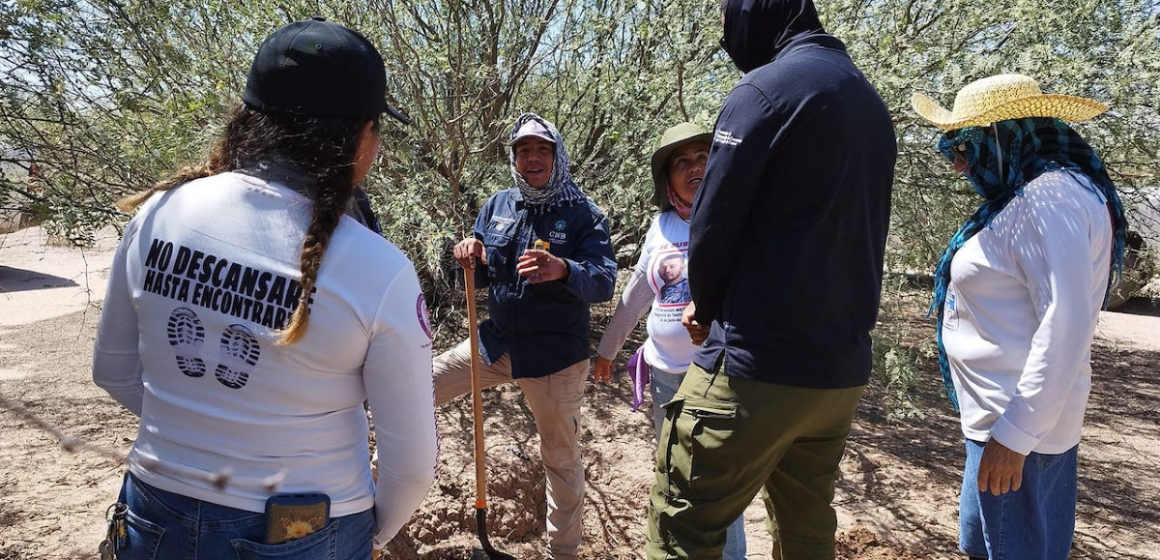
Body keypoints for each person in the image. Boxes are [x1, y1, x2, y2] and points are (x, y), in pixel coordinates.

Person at [92, 18, 438, 560]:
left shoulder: (159, 213)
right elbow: (413, 462)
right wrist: (369, 536)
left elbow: (112, 372)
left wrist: (203, 438)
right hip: (303, 526)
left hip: (155, 509)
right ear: (362, 133)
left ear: (249, 118)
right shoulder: (379, 268)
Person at [645, 1, 897, 558]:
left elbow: (713, 217)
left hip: (756, 368)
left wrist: (704, 306)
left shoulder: (764, 92)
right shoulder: (868, 102)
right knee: (807, 532)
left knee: (682, 527)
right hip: (836, 376)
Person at [912, 74, 1126, 560]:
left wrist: (1014, 435)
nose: (958, 165)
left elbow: (1065, 319)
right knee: (987, 545)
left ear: (1004, 135)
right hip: (1008, 421)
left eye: (963, 147)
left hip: (1016, 426)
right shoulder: (1039, 195)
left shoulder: (1049, 199)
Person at [437, 113, 617, 560]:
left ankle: (563, 553)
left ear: (557, 156)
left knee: (559, 459)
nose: (531, 158)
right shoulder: (498, 205)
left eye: (541, 149)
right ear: (513, 158)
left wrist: (563, 270)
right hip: (495, 346)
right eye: (523, 150)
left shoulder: (583, 215)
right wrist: (466, 256)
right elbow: (475, 277)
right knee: (418, 385)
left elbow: (604, 281)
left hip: (555, 359)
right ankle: (372, 494)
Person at [593, 122, 748, 560]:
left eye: (703, 157)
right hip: (664, 374)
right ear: (667, 179)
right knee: (673, 473)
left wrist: (716, 326)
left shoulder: (733, 219)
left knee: (717, 480)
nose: (694, 166)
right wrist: (607, 351)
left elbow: (753, 297)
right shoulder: (660, 226)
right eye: (682, 161)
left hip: (719, 375)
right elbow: (636, 294)